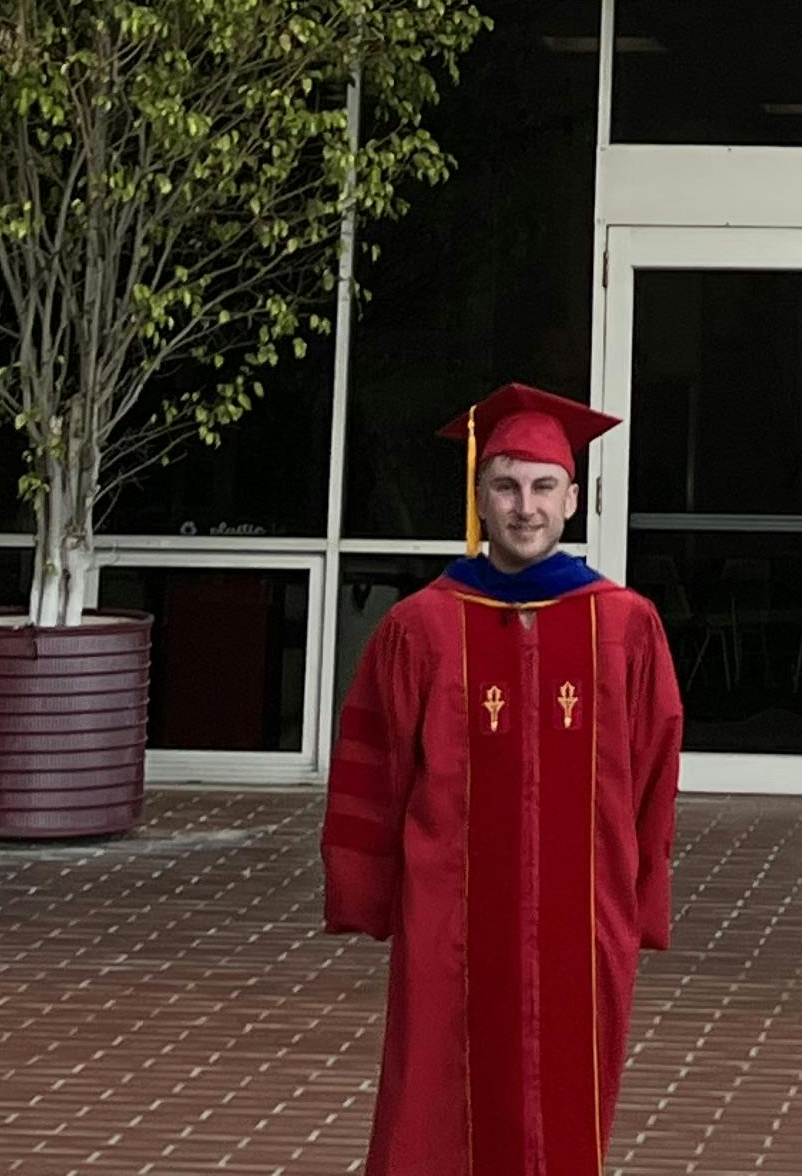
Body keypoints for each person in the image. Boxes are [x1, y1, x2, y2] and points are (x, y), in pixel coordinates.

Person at [322, 382, 686, 1176]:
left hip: (584, 916)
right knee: (433, 1103)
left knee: (570, 1100)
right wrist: (366, 890)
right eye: (507, 486)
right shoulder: (423, 624)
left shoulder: (623, 625)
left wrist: (642, 895)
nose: (525, 507)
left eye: (543, 487)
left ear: (573, 500)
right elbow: (372, 770)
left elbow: (657, 773)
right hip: (447, 917)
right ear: (480, 499)